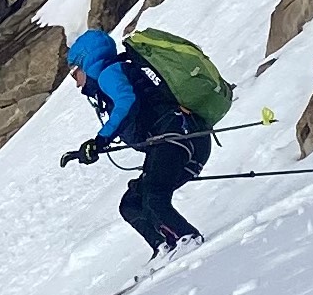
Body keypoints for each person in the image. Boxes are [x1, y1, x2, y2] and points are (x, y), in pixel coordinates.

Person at [65, 27, 211, 254]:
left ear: (86, 62)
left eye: (74, 73)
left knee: (154, 197)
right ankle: (165, 247)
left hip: (174, 136)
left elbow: (127, 102)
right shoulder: (122, 71)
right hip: (189, 141)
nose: (76, 83)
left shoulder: (108, 73)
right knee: (132, 204)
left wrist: (100, 141)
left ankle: (188, 238)